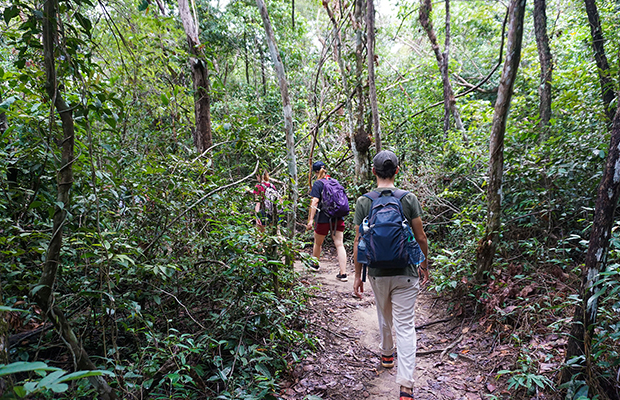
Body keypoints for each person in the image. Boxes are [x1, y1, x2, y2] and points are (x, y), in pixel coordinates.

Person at [352, 150, 429, 400]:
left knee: (384, 314)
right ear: (397, 171)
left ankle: (387, 354)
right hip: (406, 272)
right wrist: (424, 265)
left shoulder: (364, 201)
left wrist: (357, 275)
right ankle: (406, 385)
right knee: (406, 326)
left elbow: (358, 241)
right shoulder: (408, 199)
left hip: (376, 272)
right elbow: (420, 237)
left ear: (373, 172)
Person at [306, 161, 348, 282]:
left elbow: (314, 202)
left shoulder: (318, 184)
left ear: (315, 172)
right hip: (338, 217)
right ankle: (343, 273)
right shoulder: (335, 182)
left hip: (323, 218)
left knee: (318, 243)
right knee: (339, 244)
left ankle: (315, 264)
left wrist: (310, 220)